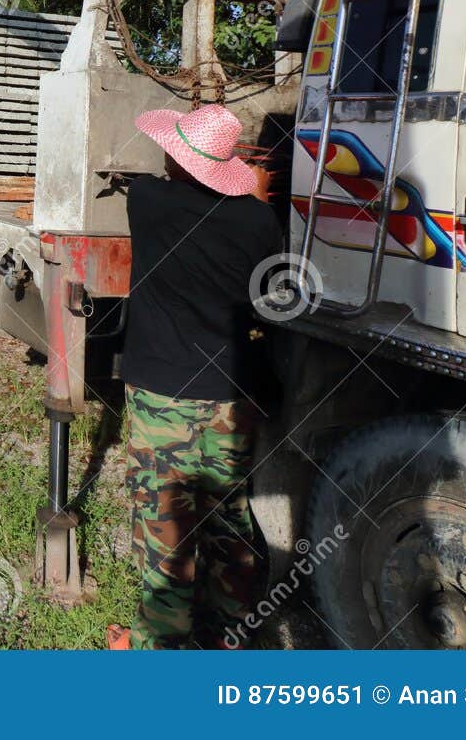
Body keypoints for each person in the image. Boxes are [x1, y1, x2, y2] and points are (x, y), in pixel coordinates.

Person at [117, 102, 282, 650]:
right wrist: (253, 191)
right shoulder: (260, 221)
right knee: (229, 516)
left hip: (163, 399)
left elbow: (148, 183)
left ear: (183, 161)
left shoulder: (148, 202)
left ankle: (161, 647)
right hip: (231, 397)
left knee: (165, 522)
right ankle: (231, 630)